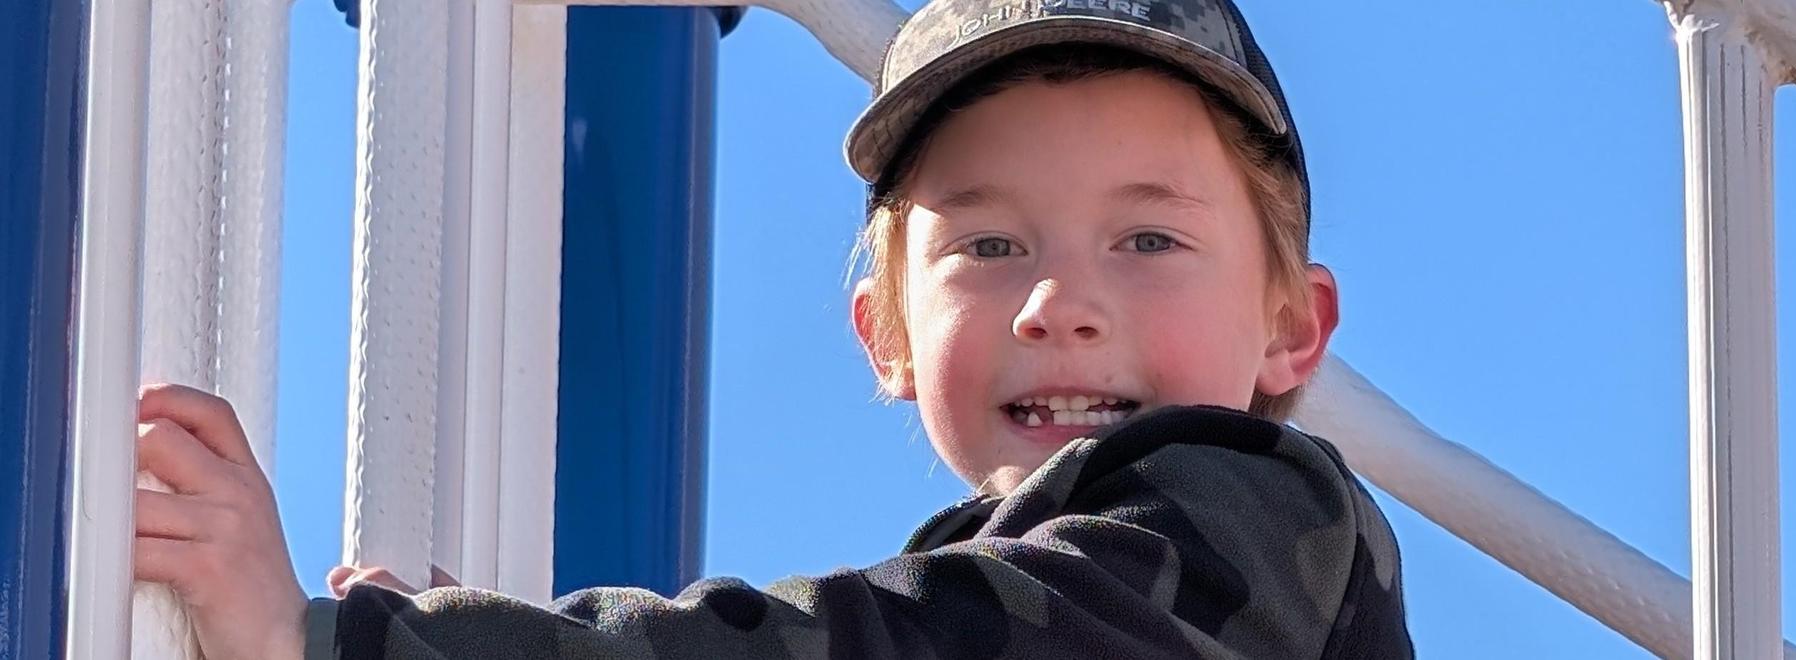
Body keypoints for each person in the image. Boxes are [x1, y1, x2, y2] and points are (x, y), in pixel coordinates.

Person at [133, 0, 1414, 656]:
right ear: (888, 337)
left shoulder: (1258, 516)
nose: (1054, 304)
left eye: (1147, 241)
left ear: (1291, 329)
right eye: (986, 245)